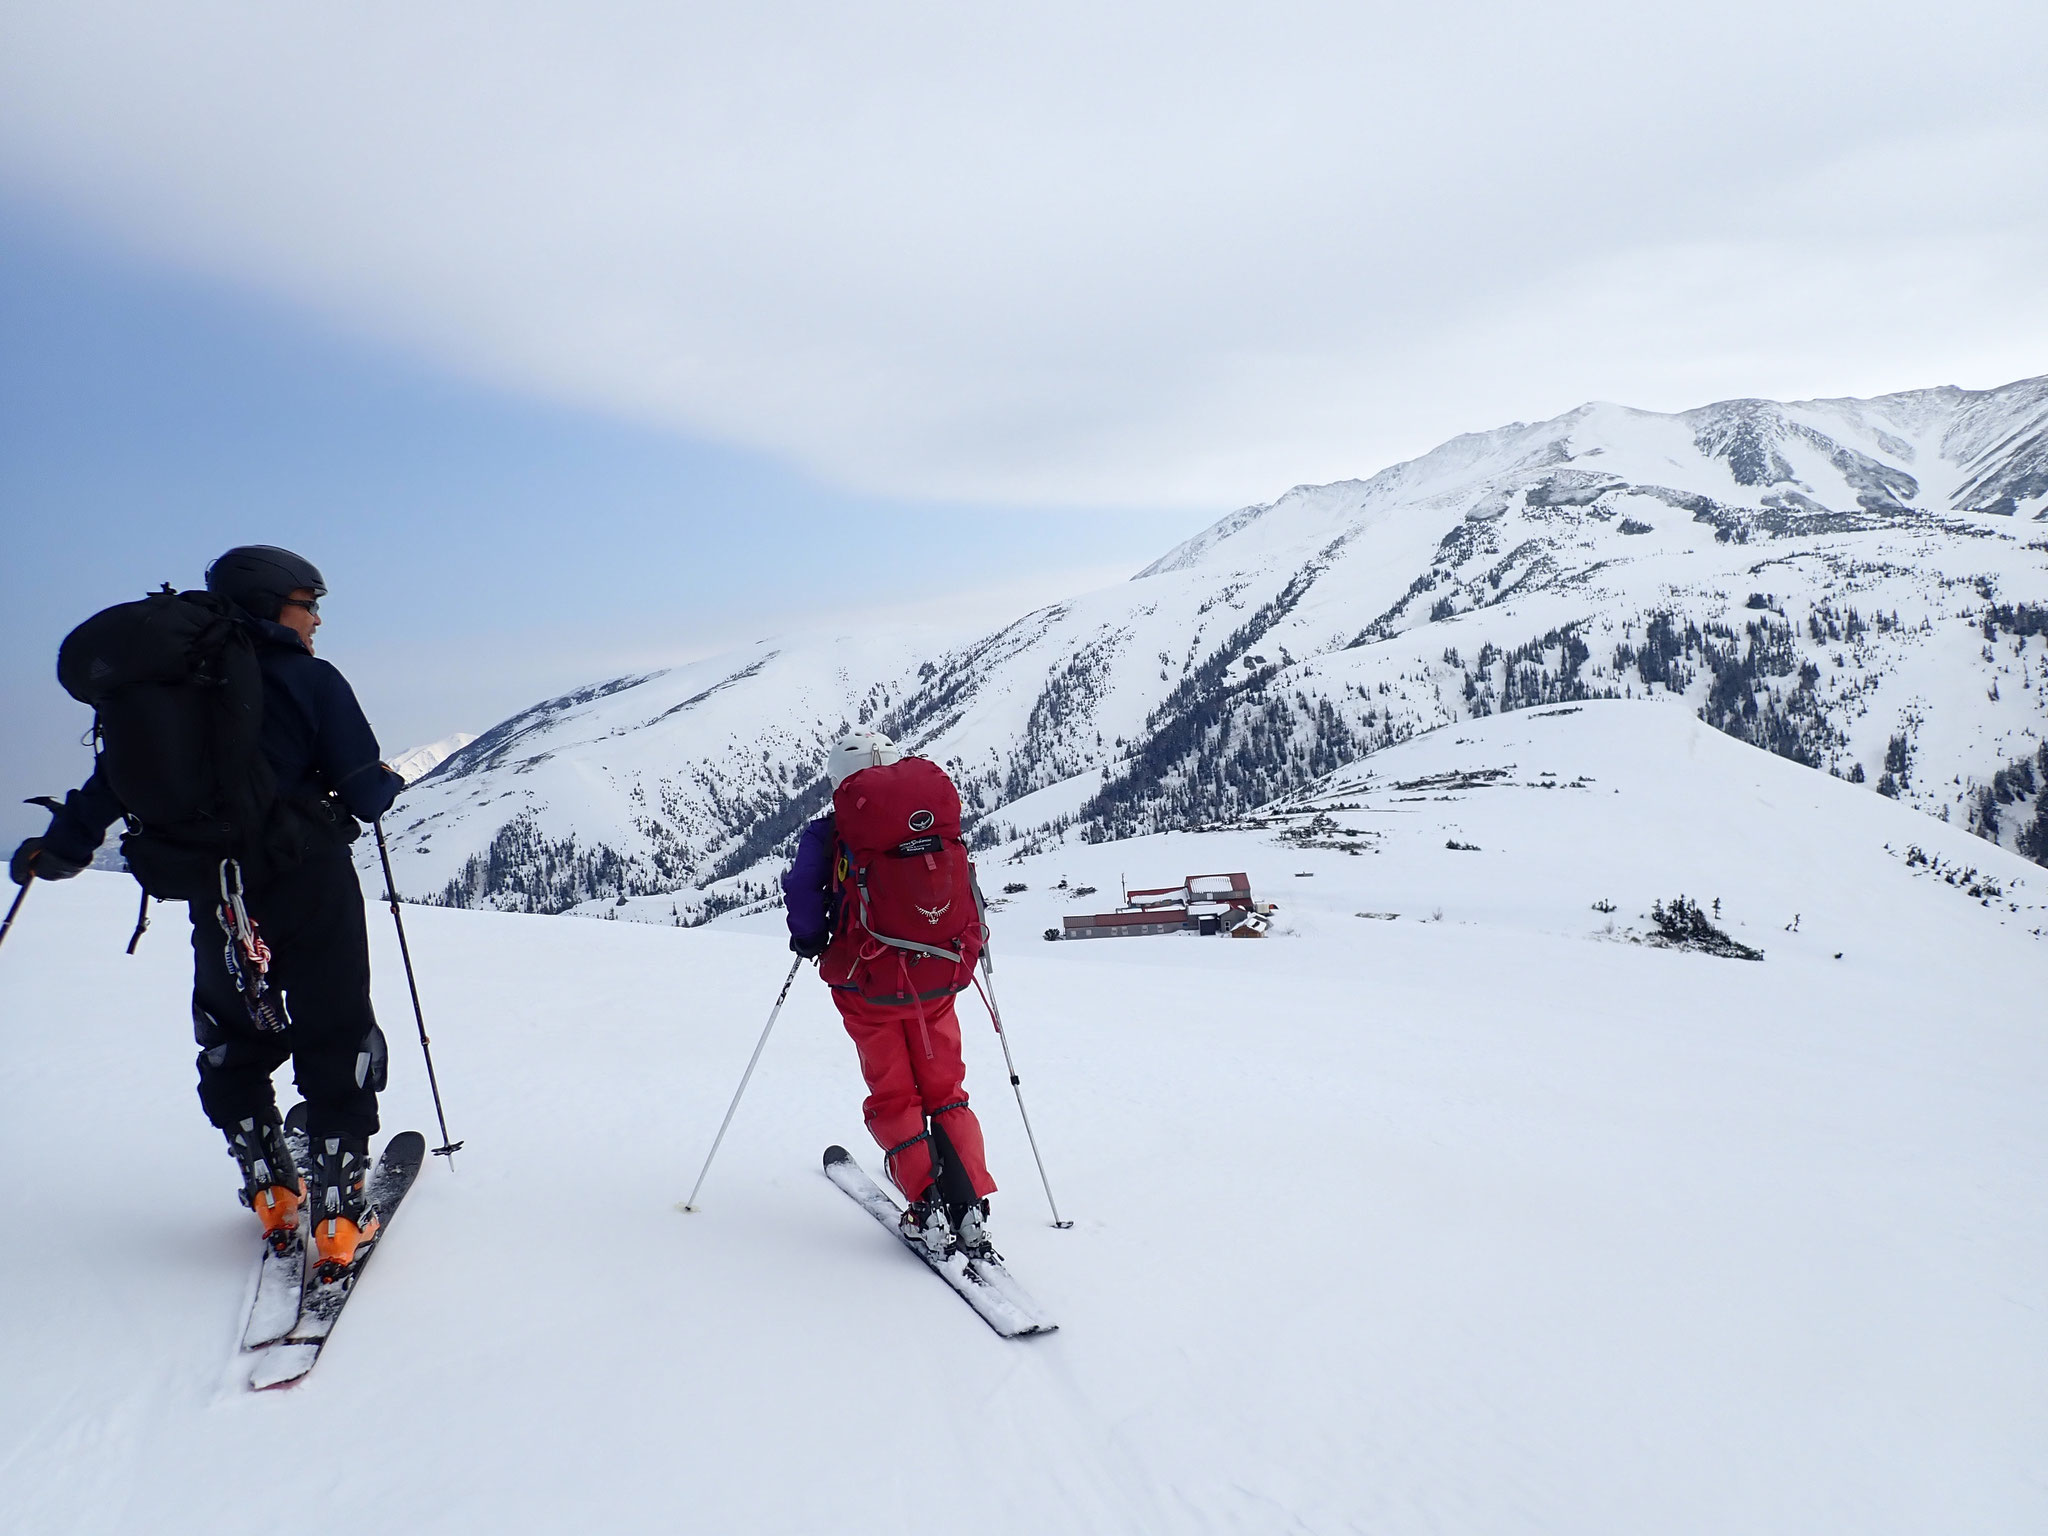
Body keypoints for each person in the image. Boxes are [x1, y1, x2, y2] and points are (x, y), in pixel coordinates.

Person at [9, 546, 405, 1277]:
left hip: (216, 893)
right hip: (307, 880)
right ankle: (342, 1208)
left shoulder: (167, 696)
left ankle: (272, 1190)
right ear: (269, 605)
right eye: (306, 602)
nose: (316, 618)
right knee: (334, 1024)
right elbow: (363, 795)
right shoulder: (308, 679)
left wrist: (56, 853)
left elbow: (109, 787)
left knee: (231, 1031)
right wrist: (385, 781)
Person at [783, 731, 1000, 1260]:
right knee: (946, 1089)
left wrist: (809, 939)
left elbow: (804, 892)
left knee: (895, 1094)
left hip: (868, 985)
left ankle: (926, 1205)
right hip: (940, 979)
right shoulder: (927, 819)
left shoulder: (830, 832)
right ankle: (970, 1205)